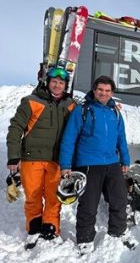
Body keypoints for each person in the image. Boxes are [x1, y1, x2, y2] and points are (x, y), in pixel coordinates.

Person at [59, 75, 136, 255]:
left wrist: (125, 159)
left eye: (107, 90)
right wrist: (65, 164)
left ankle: (118, 232)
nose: (103, 93)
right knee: (88, 204)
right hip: (88, 164)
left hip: (112, 163)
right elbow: (69, 138)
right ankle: (85, 240)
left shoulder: (115, 112)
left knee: (119, 199)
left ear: (112, 92)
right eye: (100, 90)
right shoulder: (82, 110)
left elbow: (121, 138)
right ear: (94, 90)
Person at [6, 67, 76, 249]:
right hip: (31, 159)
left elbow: (77, 133)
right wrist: (14, 157)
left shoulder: (71, 105)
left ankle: (51, 227)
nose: (57, 85)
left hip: (57, 160)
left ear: (65, 85)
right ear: (47, 82)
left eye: (61, 82)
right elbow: (15, 129)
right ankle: (34, 228)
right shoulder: (31, 101)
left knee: (53, 197)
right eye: (54, 81)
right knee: (33, 195)